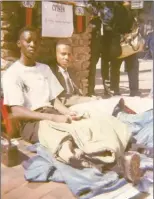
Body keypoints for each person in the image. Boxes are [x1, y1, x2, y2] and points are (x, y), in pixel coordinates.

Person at [3, 26, 147, 182]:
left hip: (52, 113)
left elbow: (54, 99)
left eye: (36, 42)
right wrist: (52, 118)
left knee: (94, 121)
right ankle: (116, 166)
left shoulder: (43, 69)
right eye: (28, 41)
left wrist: (66, 112)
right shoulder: (13, 74)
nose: (33, 45)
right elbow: (16, 111)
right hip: (32, 123)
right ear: (19, 43)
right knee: (68, 136)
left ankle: (131, 148)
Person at [51, 40, 99, 107]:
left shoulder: (70, 71)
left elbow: (79, 93)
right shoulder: (52, 73)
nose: (67, 58)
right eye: (63, 54)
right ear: (55, 54)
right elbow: (61, 99)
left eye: (69, 54)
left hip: (78, 104)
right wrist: (87, 100)